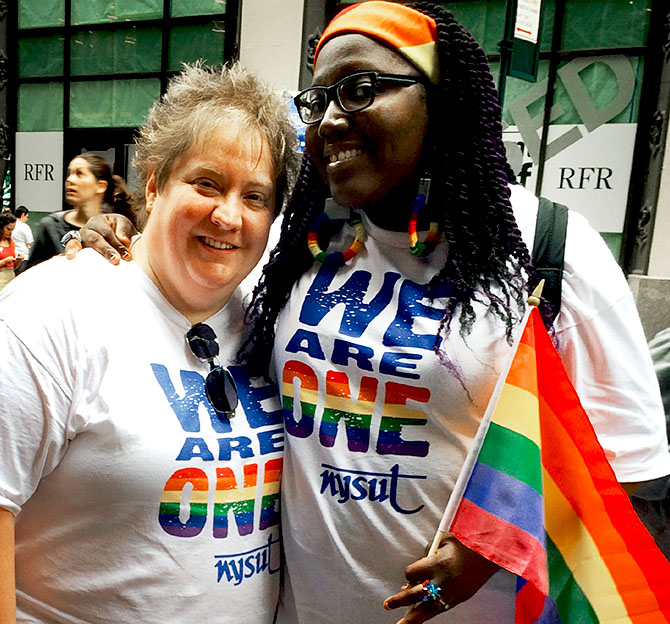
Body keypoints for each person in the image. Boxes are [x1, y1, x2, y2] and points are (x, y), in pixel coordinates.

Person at [78, 2, 670, 623]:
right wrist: (117, 238)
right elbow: (185, 291)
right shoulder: (296, 242)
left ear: (441, 100)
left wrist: (495, 545)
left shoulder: (553, 253)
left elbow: (624, 473)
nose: (332, 120)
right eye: (320, 99)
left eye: (360, 89)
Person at [0, 62, 298, 623]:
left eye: (255, 197)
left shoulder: (274, 320)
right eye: (207, 183)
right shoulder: (53, 311)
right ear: (155, 182)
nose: (229, 214)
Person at [25, 152, 134, 269]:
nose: (70, 180)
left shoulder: (115, 228)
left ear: (101, 186)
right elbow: (28, 275)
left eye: (79, 174)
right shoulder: (50, 226)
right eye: (69, 174)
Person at [0, 213, 23, 291]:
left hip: (10, 277)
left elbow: (14, 266)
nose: (10, 232)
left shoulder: (11, 242)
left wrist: (18, 260)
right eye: (8, 229)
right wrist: (4, 261)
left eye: (13, 229)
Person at [10, 207, 33, 275]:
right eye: (27, 217)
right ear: (23, 215)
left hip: (11, 255)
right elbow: (30, 242)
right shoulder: (25, 227)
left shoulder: (10, 225)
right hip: (23, 256)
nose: (27, 219)